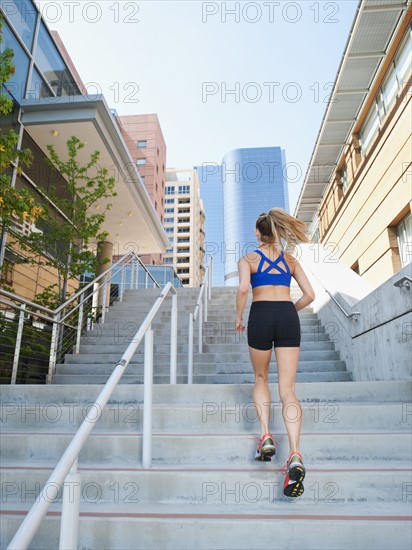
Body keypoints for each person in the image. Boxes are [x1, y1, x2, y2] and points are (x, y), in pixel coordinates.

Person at [235, 208, 315, 498]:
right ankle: (295, 453)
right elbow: (310, 295)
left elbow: (244, 288)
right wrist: (289, 313)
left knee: (260, 378)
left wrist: (238, 316)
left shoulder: (249, 259)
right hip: (286, 316)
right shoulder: (290, 260)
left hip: (260, 314)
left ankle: (266, 434)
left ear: (257, 232)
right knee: (288, 389)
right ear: (277, 230)